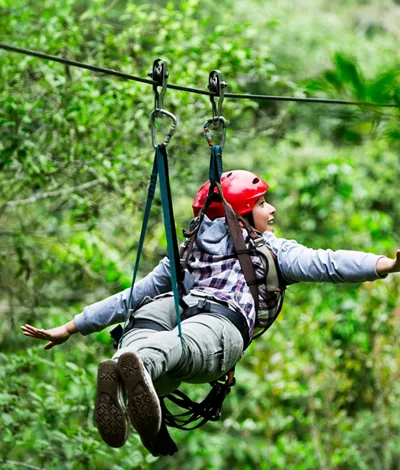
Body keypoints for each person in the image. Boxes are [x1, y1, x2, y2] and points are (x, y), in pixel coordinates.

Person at [21, 169, 400, 455]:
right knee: (169, 330)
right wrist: (383, 265)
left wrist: (72, 326)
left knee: (150, 320)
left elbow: (130, 296)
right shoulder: (271, 251)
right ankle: (135, 369)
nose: (271, 210)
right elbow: (328, 264)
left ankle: (124, 369)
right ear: (242, 216)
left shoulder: (185, 251)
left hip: (191, 318)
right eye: (262, 204)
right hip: (221, 326)